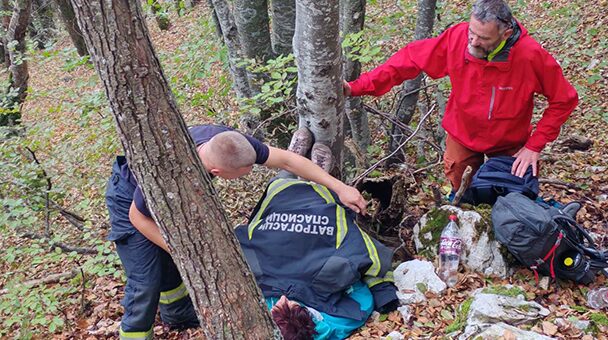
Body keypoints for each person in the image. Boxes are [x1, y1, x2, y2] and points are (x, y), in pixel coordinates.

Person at [105, 124, 367, 340]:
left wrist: (339, 187)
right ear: (216, 172)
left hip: (172, 200)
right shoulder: (170, 172)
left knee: (174, 266)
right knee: (146, 278)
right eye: (244, 173)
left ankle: (177, 314)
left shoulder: (229, 142)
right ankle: (136, 334)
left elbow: (287, 159)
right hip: (129, 201)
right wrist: (184, 252)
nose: (250, 173)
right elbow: (137, 217)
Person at [344, 0, 578, 195]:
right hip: (462, 136)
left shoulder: (530, 56)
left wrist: (533, 147)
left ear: (506, 34)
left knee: (511, 199)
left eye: (483, 38)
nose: (473, 41)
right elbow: (407, 61)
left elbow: (564, 99)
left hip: (510, 144)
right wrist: (356, 87)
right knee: (462, 196)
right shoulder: (457, 38)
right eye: (472, 32)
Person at [235, 175, 399, 340]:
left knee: (286, 172)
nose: (283, 298)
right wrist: (382, 293)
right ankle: (306, 166)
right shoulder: (339, 318)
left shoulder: (255, 303)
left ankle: (297, 164)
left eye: (278, 307)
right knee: (304, 170)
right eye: (288, 305)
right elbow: (367, 259)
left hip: (282, 193)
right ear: (309, 316)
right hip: (319, 200)